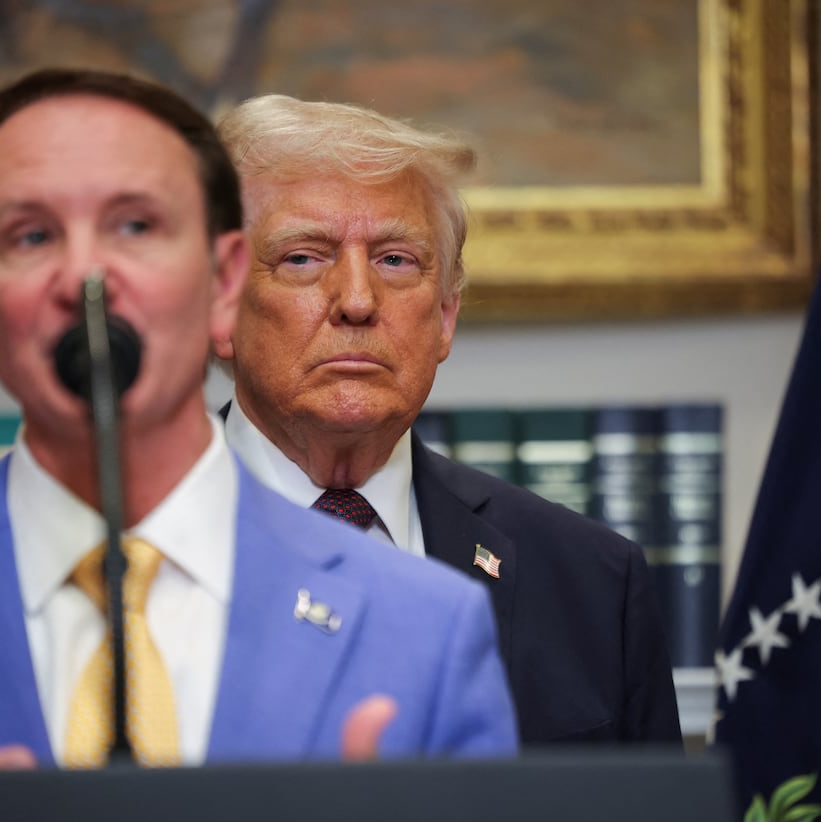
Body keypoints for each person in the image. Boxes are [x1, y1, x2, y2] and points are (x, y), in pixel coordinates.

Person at [0, 70, 517, 771]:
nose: (86, 279)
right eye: (31, 236)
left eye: (135, 227)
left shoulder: (427, 628)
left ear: (222, 281)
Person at [215, 95, 682, 745]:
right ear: (219, 304)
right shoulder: (122, 550)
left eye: (396, 260)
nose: (356, 300)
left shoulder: (594, 580)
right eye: (303, 257)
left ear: (445, 317)